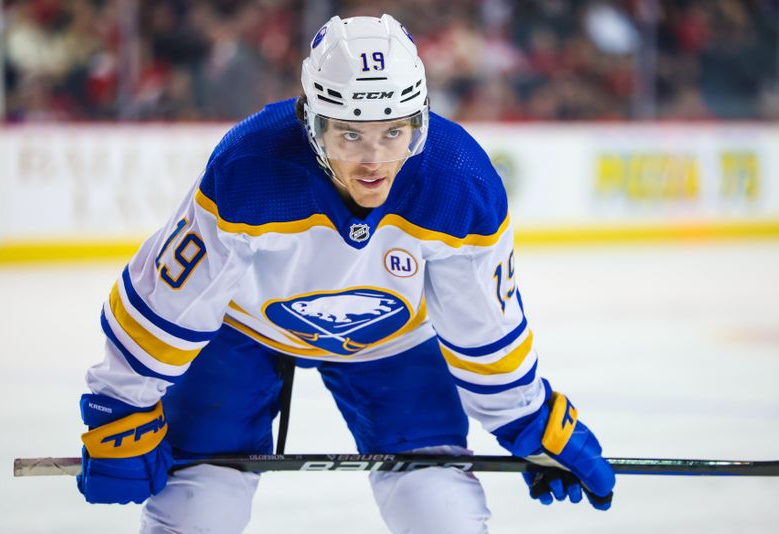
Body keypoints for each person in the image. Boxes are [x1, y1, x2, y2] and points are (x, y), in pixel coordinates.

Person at [76, 14, 615, 533]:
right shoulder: (251, 165)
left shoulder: (459, 181)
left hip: (392, 340)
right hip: (244, 329)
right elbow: (174, 293)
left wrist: (527, 417)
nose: (374, 161)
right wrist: (121, 405)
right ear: (311, 124)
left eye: (394, 131)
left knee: (441, 514)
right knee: (197, 512)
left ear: (420, 120)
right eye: (350, 135)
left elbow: (481, 322)